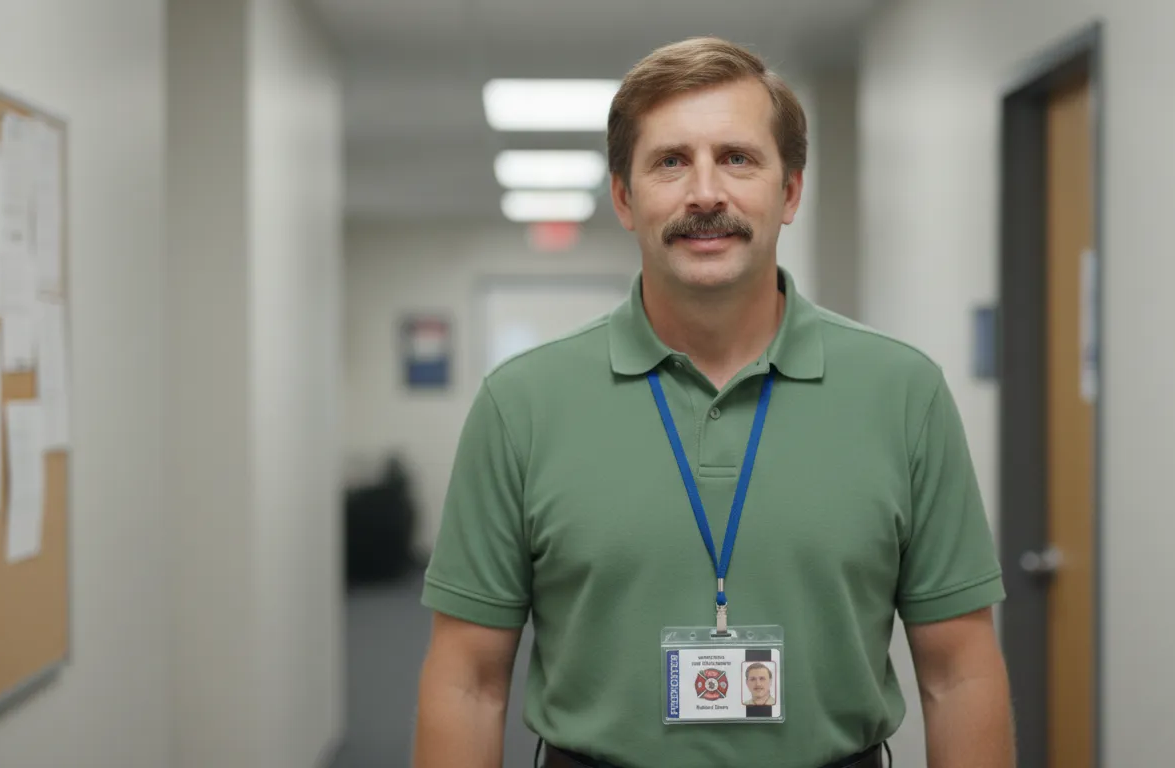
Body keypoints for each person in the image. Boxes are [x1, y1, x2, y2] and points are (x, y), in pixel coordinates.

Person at [412, 36, 1015, 768]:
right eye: (671, 161)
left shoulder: (902, 393)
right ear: (625, 199)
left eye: (738, 157)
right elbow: (468, 682)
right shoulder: (521, 404)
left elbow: (960, 672)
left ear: (789, 191)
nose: (705, 193)